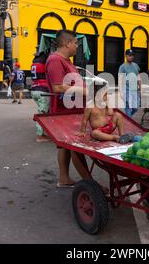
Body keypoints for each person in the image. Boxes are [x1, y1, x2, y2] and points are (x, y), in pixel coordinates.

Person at [46, 29, 93, 188]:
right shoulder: (55, 60)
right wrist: (85, 91)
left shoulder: (66, 61)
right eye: (75, 43)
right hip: (64, 112)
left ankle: (64, 179)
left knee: (65, 148)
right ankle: (91, 185)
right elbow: (58, 87)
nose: (77, 46)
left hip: (73, 110)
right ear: (67, 43)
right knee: (76, 149)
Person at [31, 52, 51, 143]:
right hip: (42, 91)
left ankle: (43, 133)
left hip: (34, 90)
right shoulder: (43, 65)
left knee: (43, 111)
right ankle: (39, 136)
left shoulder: (34, 64)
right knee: (42, 114)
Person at [119, 49, 140, 117]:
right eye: (129, 55)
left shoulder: (136, 65)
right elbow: (120, 80)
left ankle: (128, 119)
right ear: (126, 56)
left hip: (135, 89)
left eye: (132, 55)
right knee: (127, 106)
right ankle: (129, 121)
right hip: (126, 89)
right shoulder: (122, 67)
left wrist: (141, 88)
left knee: (136, 107)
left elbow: (138, 77)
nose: (131, 57)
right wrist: (121, 92)